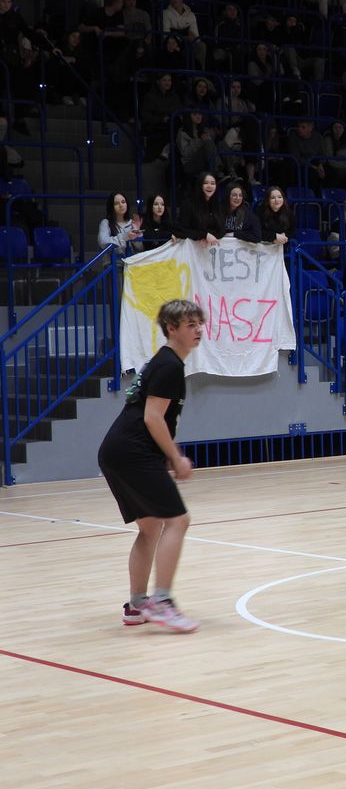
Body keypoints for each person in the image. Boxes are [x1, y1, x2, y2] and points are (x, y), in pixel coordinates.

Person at [99, 300, 204, 634]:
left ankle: (137, 605)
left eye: (199, 323)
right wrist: (175, 458)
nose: (198, 330)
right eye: (190, 324)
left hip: (117, 451)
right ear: (172, 329)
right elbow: (152, 417)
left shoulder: (166, 362)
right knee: (178, 519)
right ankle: (162, 601)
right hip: (132, 452)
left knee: (150, 528)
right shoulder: (169, 365)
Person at [177, 172, 222, 244]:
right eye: (205, 183)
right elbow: (182, 230)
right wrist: (204, 235)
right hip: (191, 250)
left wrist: (207, 237)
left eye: (213, 183)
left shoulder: (217, 204)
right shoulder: (188, 204)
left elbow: (222, 230)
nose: (209, 186)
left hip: (210, 249)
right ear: (200, 185)